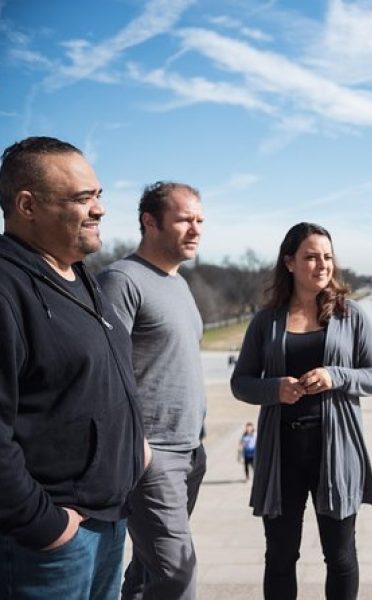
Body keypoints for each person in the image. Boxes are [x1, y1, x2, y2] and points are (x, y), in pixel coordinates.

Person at [0, 136, 148, 598]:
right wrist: (45, 524)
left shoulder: (78, 273)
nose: (100, 209)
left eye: (98, 195)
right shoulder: (8, 288)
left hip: (107, 521)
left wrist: (135, 448)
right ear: (28, 205)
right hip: (48, 544)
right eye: (83, 198)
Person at [230, 222, 372, 600]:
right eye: (311, 257)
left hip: (335, 449)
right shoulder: (266, 321)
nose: (322, 265)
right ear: (289, 262)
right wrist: (275, 388)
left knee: (341, 555)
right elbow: (241, 382)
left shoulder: (352, 316)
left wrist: (336, 376)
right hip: (282, 450)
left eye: (328, 257)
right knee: (280, 556)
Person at [98, 181, 207, 599]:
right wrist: (138, 446)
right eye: (184, 220)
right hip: (152, 454)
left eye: (199, 220)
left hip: (190, 450)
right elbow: (106, 373)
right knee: (179, 575)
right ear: (150, 221)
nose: (195, 229)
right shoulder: (122, 280)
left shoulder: (178, 283)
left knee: (147, 572)